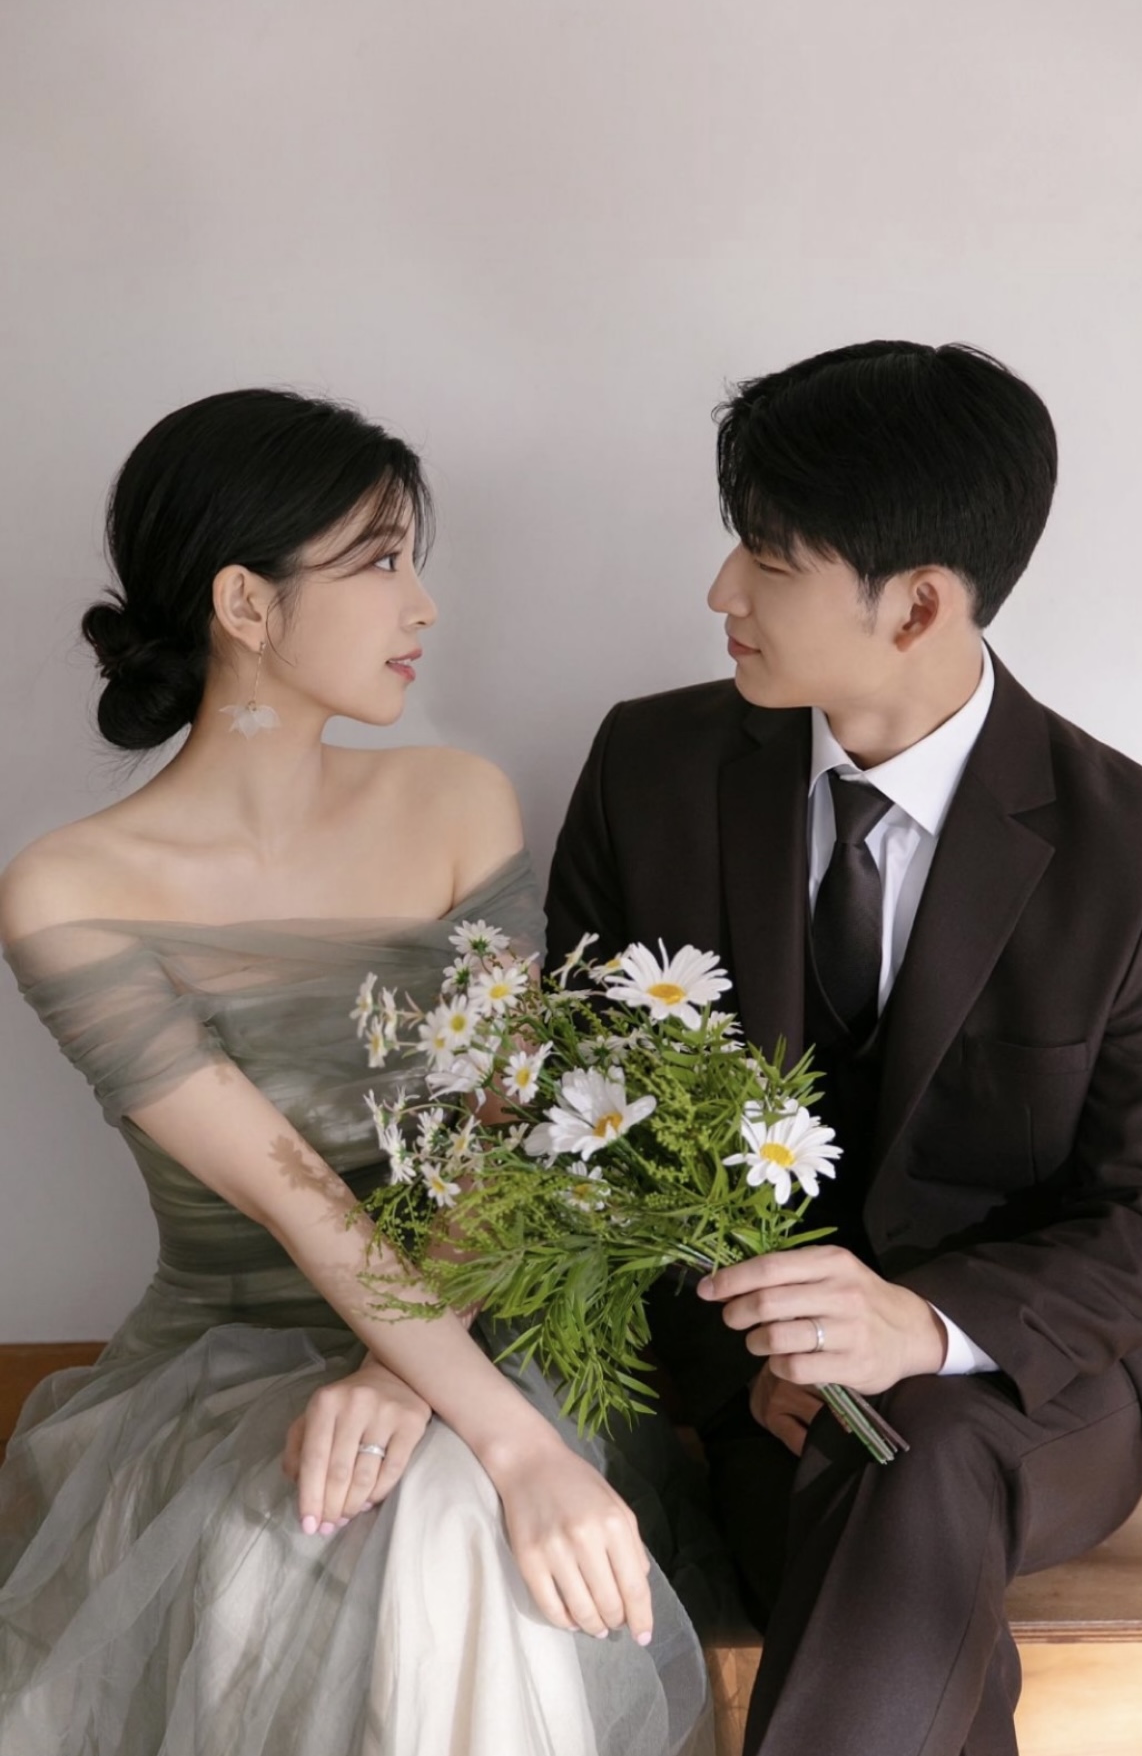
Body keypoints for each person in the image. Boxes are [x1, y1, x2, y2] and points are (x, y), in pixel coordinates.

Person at [545, 339, 1142, 1756]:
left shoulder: (1141, 854)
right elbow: (579, 1106)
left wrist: (920, 1329)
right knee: (887, 1496)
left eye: (765, 558)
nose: (720, 591)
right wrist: (764, 1346)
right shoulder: (648, 774)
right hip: (757, 1398)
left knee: (918, 1446)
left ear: (919, 602)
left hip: (1032, 1393)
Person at [0, 389, 714, 1756]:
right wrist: (507, 1442)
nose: (422, 604)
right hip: (219, 1372)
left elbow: (505, 1138)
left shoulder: (456, 800)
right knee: (415, 1513)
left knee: (448, 1508)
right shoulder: (67, 890)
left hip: (474, 1328)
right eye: (381, 561)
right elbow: (294, 1193)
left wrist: (415, 1385)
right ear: (245, 605)